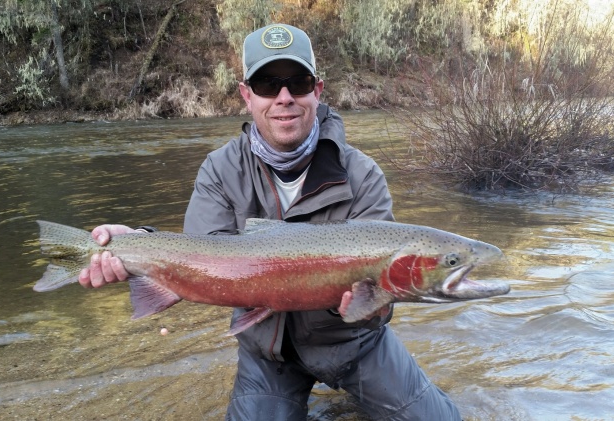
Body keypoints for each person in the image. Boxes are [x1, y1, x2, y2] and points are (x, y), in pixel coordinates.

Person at [78, 23, 461, 421]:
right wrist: (139, 244)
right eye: (266, 84)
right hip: (268, 354)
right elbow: (199, 258)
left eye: (298, 82)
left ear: (318, 90)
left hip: (355, 345)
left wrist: (373, 307)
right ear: (247, 95)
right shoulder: (220, 169)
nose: (284, 98)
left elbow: (386, 296)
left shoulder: (363, 174)